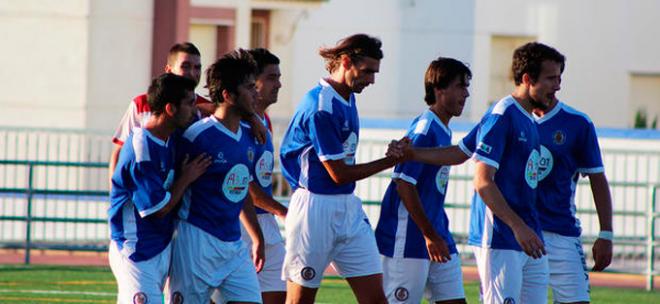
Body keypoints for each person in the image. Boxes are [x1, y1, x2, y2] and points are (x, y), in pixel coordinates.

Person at [402, 42, 613, 304]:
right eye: (550, 79)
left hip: (528, 235)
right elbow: (482, 181)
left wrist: (413, 154)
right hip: (501, 235)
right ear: (527, 79)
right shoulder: (502, 115)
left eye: (559, 78)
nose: (557, 86)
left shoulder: (527, 117)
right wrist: (518, 226)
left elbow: (460, 151)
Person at [279, 33, 399, 304]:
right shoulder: (322, 106)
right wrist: (390, 161)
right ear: (345, 62)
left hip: (347, 206)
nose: (372, 80)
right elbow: (338, 174)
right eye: (367, 71)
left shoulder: (346, 97)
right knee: (300, 301)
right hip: (315, 209)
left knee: (376, 300)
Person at [168, 49, 265, 304]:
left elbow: (241, 189)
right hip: (196, 243)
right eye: (249, 88)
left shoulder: (248, 134)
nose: (257, 93)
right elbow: (171, 187)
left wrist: (256, 236)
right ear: (228, 95)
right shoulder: (197, 136)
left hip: (233, 245)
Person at [108, 73, 212, 304]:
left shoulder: (169, 137)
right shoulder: (140, 150)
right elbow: (157, 210)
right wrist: (186, 178)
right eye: (189, 103)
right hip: (136, 250)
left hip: (161, 246)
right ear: (170, 109)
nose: (195, 109)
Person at [375, 57, 470, 304]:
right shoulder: (426, 129)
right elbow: (403, 183)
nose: (466, 93)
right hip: (409, 239)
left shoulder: (442, 128)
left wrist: (435, 233)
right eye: (460, 86)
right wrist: (429, 235)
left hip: (437, 235)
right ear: (439, 89)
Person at [109, 42, 266, 179]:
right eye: (185, 66)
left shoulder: (206, 108)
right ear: (169, 69)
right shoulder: (141, 103)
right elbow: (119, 151)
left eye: (197, 67)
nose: (192, 73)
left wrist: (252, 118)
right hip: (147, 188)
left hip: (179, 192)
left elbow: (231, 110)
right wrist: (113, 192)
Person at [210, 48, 288, 304]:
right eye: (272, 77)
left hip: (265, 223)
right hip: (240, 223)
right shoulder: (235, 123)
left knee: (277, 295)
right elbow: (243, 183)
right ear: (253, 82)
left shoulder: (262, 119)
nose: (279, 84)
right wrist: (285, 211)